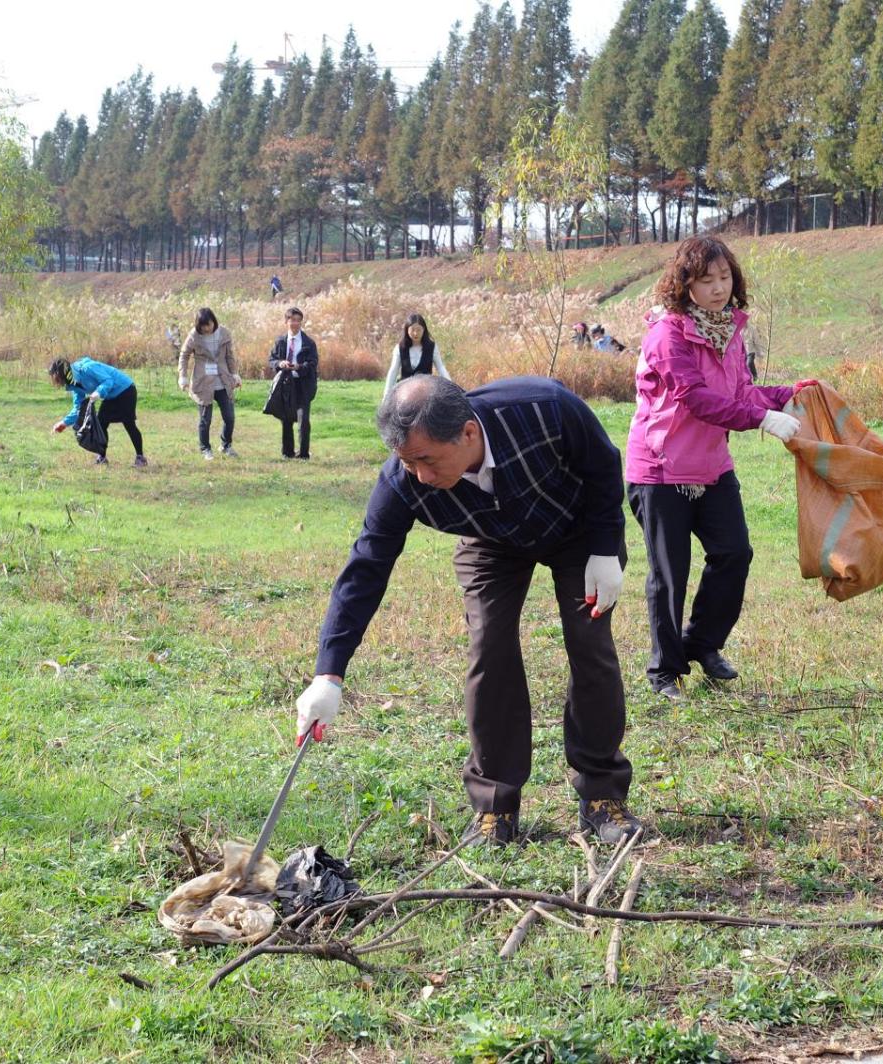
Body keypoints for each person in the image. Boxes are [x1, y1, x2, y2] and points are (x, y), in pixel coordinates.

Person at [293, 374, 642, 847]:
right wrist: (327, 674)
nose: (420, 476)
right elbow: (366, 567)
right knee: (489, 646)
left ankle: (603, 796)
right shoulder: (402, 482)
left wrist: (604, 545)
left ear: (469, 434)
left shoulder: (545, 408)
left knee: (589, 643)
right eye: (406, 462)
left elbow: (602, 463)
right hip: (490, 542)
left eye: (427, 460)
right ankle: (494, 805)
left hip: (577, 530)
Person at [625, 235, 814, 702]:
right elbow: (694, 397)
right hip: (661, 470)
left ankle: (702, 645)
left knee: (734, 554)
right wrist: (763, 420)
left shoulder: (729, 330)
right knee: (671, 573)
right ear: (684, 283)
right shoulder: (667, 334)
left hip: (711, 467)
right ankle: (664, 671)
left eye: (724, 277)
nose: (717, 288)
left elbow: (739, 392)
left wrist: (783, 396)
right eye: (705, 279)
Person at [48, 356, 146, 467]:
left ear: (64, 372)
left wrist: (98, 392)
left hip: (125, 389)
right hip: (110, 396)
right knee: (100, 424)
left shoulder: (88, 368)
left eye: (57, 377)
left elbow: (108, 380)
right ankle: (102, 457)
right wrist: (64, 423)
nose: (57, 381)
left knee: (129, 424)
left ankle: (140, 458)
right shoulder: (73, 383)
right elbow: (78, 408)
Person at [178, 307, 242, 459]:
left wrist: (235, 374)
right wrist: (183, 376)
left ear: (214, 321)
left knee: (229, 416)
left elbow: (229, 356)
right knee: (205, 419)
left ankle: (226, 445)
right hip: (203, 381)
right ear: (198, 325)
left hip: (223, 380)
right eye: (203, 326)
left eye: (209, 324)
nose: (207, 328)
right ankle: (205, 448)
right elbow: (184, 355)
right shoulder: (194, 335)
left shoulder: (224, 333)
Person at [267, 307, 319, 460]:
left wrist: (299, 367)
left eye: (298, 321)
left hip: (303, 384)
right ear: (286, 322)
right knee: (287, 419)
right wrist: (280, 363)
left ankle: (303, 454)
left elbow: (313, 364)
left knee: (303, 420)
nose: (295, 324)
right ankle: (287, 452)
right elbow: (271, 360)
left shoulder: (309, 342)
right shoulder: (280, 341)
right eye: (292, 320)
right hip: (286, 384)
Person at [382, 313, 452, 399]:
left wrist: (451, 386)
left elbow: (440, 367)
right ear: (407, 330)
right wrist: (386, 395)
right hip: (404, 390)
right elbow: (393, 371)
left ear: (424, 330)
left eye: (418, 330)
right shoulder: (399, 348)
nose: (415, 333)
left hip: (426, 390)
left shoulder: (432, 347)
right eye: (412, 330)